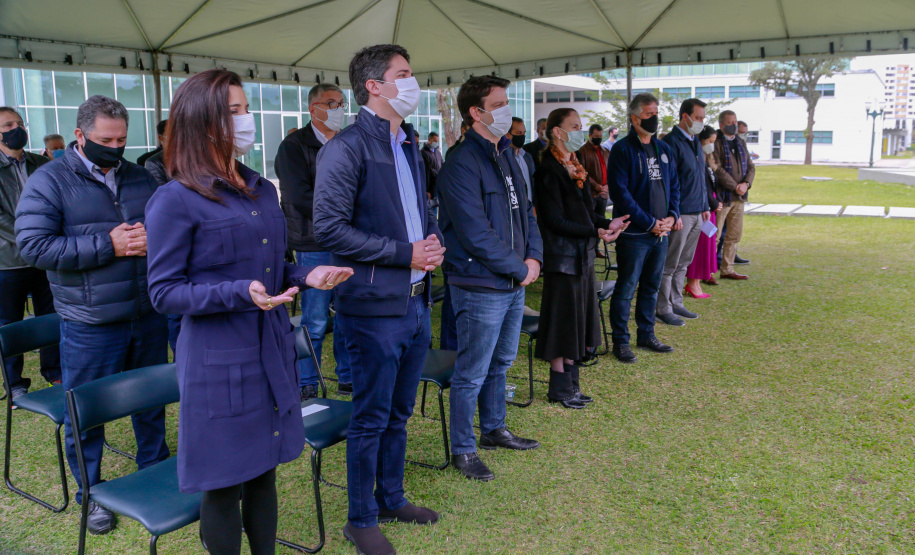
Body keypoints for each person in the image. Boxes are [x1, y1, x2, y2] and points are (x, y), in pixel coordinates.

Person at [145, 69, 352, 555]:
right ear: (203, 122)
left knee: (263, 472)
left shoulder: (261, 188)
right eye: (233, 112)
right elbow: (165, 292)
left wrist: (305, 276)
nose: (246, 120)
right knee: (224, 484)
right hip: (219, 361)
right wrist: (240, 292)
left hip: (270, 348)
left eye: (245, 109)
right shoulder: (175, 199)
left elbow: (270, 265)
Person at [16, 95, 170, 535]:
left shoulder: (141, 177)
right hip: (90, 319)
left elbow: (166, 227)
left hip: (147, 311)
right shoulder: (48, 182)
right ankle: (90, 491)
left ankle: (153, 468)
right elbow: (36, 248)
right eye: (106, 140)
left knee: (152, 399)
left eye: (122, 139)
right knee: (86, 411)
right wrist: (110, 244)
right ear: (80, 136)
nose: (115, 147)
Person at [313, 44, 444, 555]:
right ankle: (360, 516)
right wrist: (404, 252)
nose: (413, 82)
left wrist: (431, 243)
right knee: (369, 415)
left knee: (400, 411)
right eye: (404, 74)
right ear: (374, 85)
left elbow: (420, 209)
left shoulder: (407, 141)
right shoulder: (346, 147)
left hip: (414, 299)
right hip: (371, 306)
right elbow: (329, 229)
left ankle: (391, 496)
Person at [436, 76, 543, 482]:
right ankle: (464, 448)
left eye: (507, 102)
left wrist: (534, 258)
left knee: (501, 361)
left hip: (513, 281)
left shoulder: (508, 156)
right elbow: (473, 232)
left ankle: (494, 428)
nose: (507, 111)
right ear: (475, 113)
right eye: (497, 104)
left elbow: (527, 214)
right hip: (481, 284)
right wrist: (521, 269)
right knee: (472, 370)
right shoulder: (461, 163)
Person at [535, 108, 628, 408]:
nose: (581, 131)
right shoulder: (548, 168)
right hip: (562, 257)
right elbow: (553, 220)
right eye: (574, 126)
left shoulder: (574, 165)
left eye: (581, 125)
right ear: (557, 132)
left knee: (580, 321)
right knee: (563, 323)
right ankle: (560, 386)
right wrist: (594, 231)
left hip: (582, 255)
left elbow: (589, 212)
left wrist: (606, 224)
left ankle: (572, 384)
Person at [275, 83, 353, 401]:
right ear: (313, 109)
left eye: (341, 103)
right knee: (316, 318)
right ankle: (307, 379)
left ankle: (347, 376)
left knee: (349, 312)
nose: (338, 109)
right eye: (330, 103)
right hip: (313, 242)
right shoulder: (294, 146)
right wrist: (346, 210)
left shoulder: (349, 142)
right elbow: (298, 196)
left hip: (349, 241)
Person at [607, 92, 679, 364]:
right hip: (636, 234)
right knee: (626, 288)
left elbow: (674, 185)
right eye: (649, 114)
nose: (654, 118)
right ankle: (620, 341)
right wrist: (649, 223)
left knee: (651, 286)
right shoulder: (622, 149)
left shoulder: (663, 148)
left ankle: (646, 334)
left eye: (656, 113)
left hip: (661, 232)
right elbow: (621, 193)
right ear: (635, 118)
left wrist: (671, 216)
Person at [0, 108, 60, 400]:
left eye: (19, 123)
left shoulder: (39, 162)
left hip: (45, 257)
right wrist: (33, 237)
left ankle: (55, 372)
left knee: (52, 314)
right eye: (9, 125)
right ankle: (15, 384)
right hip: (8, 260)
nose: (17, 129)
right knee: (10, 323)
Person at [656, 99, 711, 327]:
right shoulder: (670, 142)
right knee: (670, 263)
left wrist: (705, 205)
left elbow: (700, 176)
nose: (700, 122)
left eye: (702, 118)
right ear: (685, 116)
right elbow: (668, 182)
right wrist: (673, 213)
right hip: (681, 214)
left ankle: (677, 302)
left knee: (684, 262)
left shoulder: (695, 141)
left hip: (698, 211)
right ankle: (662, 307)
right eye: (697, 117)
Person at [713, 110, 754, 280]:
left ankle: (727, 269)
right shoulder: (715, 141)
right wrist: (734, 186)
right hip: (723, 197)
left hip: (739, 198)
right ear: (722, 124)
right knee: (714, 237)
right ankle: (707, 271)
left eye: (735, 122)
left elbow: (751, 167)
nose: (734, 125)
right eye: (730, 122)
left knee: (734, 235)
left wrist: (746, 184)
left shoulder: (739, 142)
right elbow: (716, 168)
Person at [685, 126, 721, 298]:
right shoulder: (696, 158)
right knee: (699, 247)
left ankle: (697, 282)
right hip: (702, 207)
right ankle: (692, 282)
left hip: (709, 208)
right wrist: (712, 203)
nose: (711, 146)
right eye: (710, 142)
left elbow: (711, 184)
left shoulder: (705, 159)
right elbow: (701, 186)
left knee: (708, 244)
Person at [577, 123, 610, 220]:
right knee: (590, 220)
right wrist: (596, 186)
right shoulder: (582, 151)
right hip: (591, 194)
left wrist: (607, 186)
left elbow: (611, 170)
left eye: (600, 136)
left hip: (604, 193)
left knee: (602, 220)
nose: (599, 138)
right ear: (590, 135)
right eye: (596, 136)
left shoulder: (606, 151)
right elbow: (582, 171)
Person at [507, 117, 535, 204]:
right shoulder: (503, 158)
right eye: (518, 133)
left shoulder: (527, 157)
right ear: (508, 134)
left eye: (524, 133)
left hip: (530, 210)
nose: (522, 136)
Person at [421, 131, 443, 200]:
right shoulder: (423, 153)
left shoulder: (437, 152)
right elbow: (427, 171)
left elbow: (442, 165)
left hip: (438, 185)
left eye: (437, 141)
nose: (435, 143)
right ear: (429, 139)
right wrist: (426, 190)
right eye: (434, 141)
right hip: (430, 188)